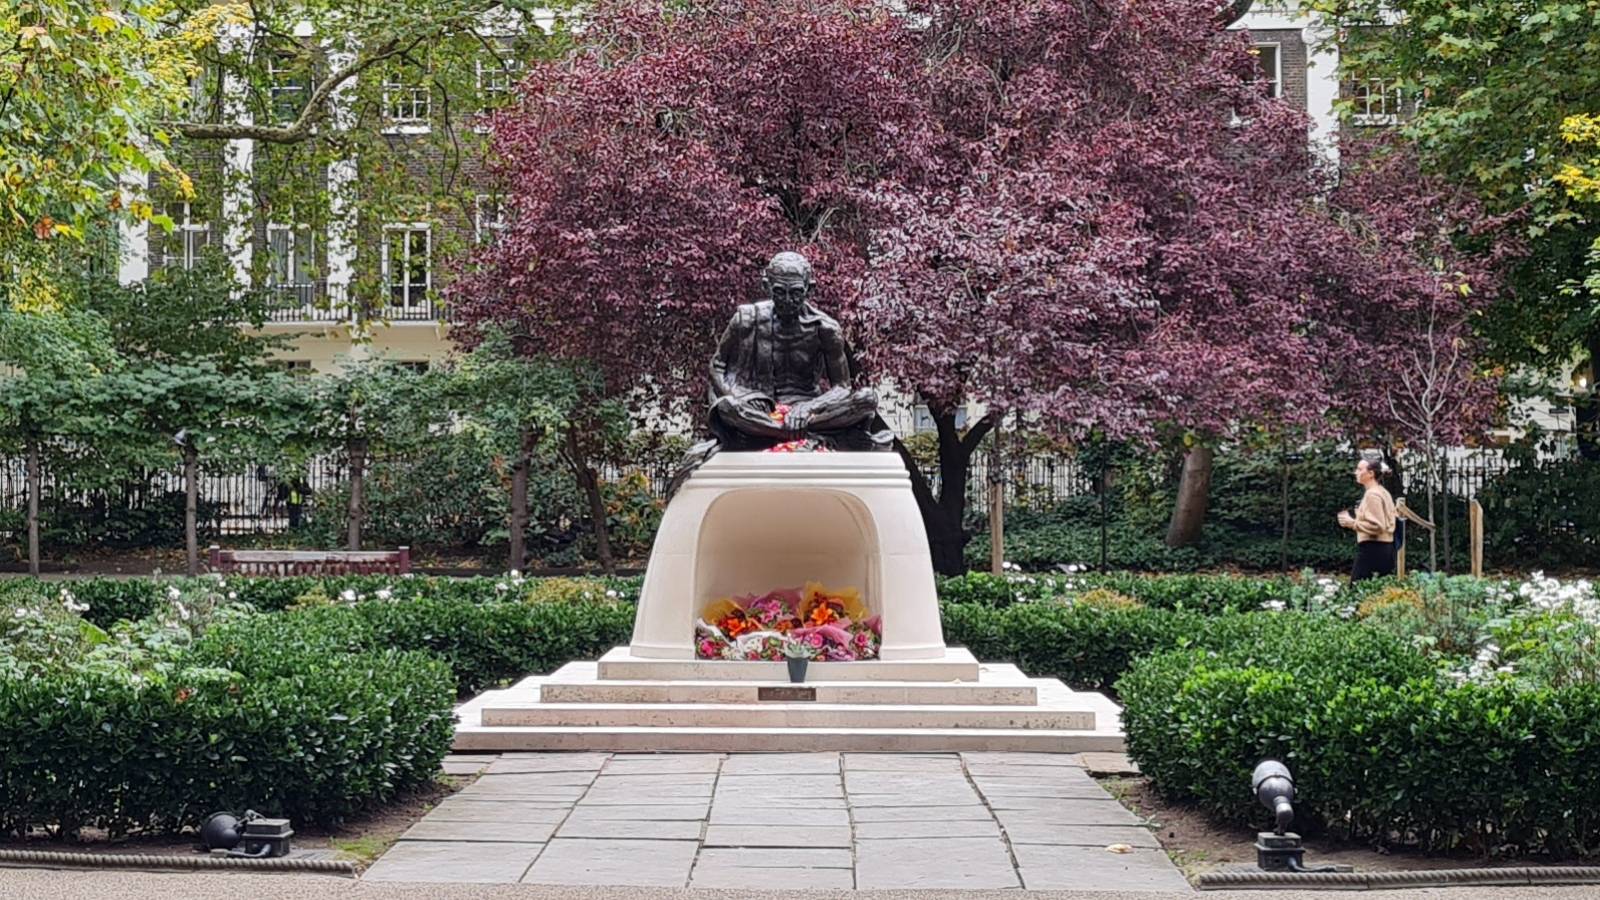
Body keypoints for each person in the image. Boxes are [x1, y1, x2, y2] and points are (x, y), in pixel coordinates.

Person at [1337, 455, 1397, 580]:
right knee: (1378, 592)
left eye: (1359, 469)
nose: (1356, 472)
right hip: (1385, 548)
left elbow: (1378, 526)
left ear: (1370, 473)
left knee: (1358, 590)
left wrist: (1352, 523)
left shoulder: (1372, 495)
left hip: (1373, 549)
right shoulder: (1382, 492)